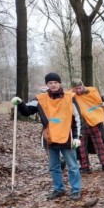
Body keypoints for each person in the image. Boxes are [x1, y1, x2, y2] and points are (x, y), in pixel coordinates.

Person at [11, 72, 83, 200]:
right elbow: (27, 111)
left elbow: (77, 119)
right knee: (54, 166)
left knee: (72, 165)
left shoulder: (70, 97)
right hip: (49, 137)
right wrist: (20, 103)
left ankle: (75, 190)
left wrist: (78, 137)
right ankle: (58, 189)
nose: (53, 85)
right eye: (50, 83)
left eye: (55, 82)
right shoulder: (40, 99)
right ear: (47, 84)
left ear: (59, 83)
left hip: (67, 137)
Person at [70, 79, 104, 173]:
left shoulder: (92, 91)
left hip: (94, 123)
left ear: (82, 86)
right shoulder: (70, 95)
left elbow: (102, 97)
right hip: (80, 125)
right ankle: (85, 167)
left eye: (79, 88)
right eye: (75, 89)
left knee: (100, 144)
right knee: (81, 147)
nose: (77, 90)